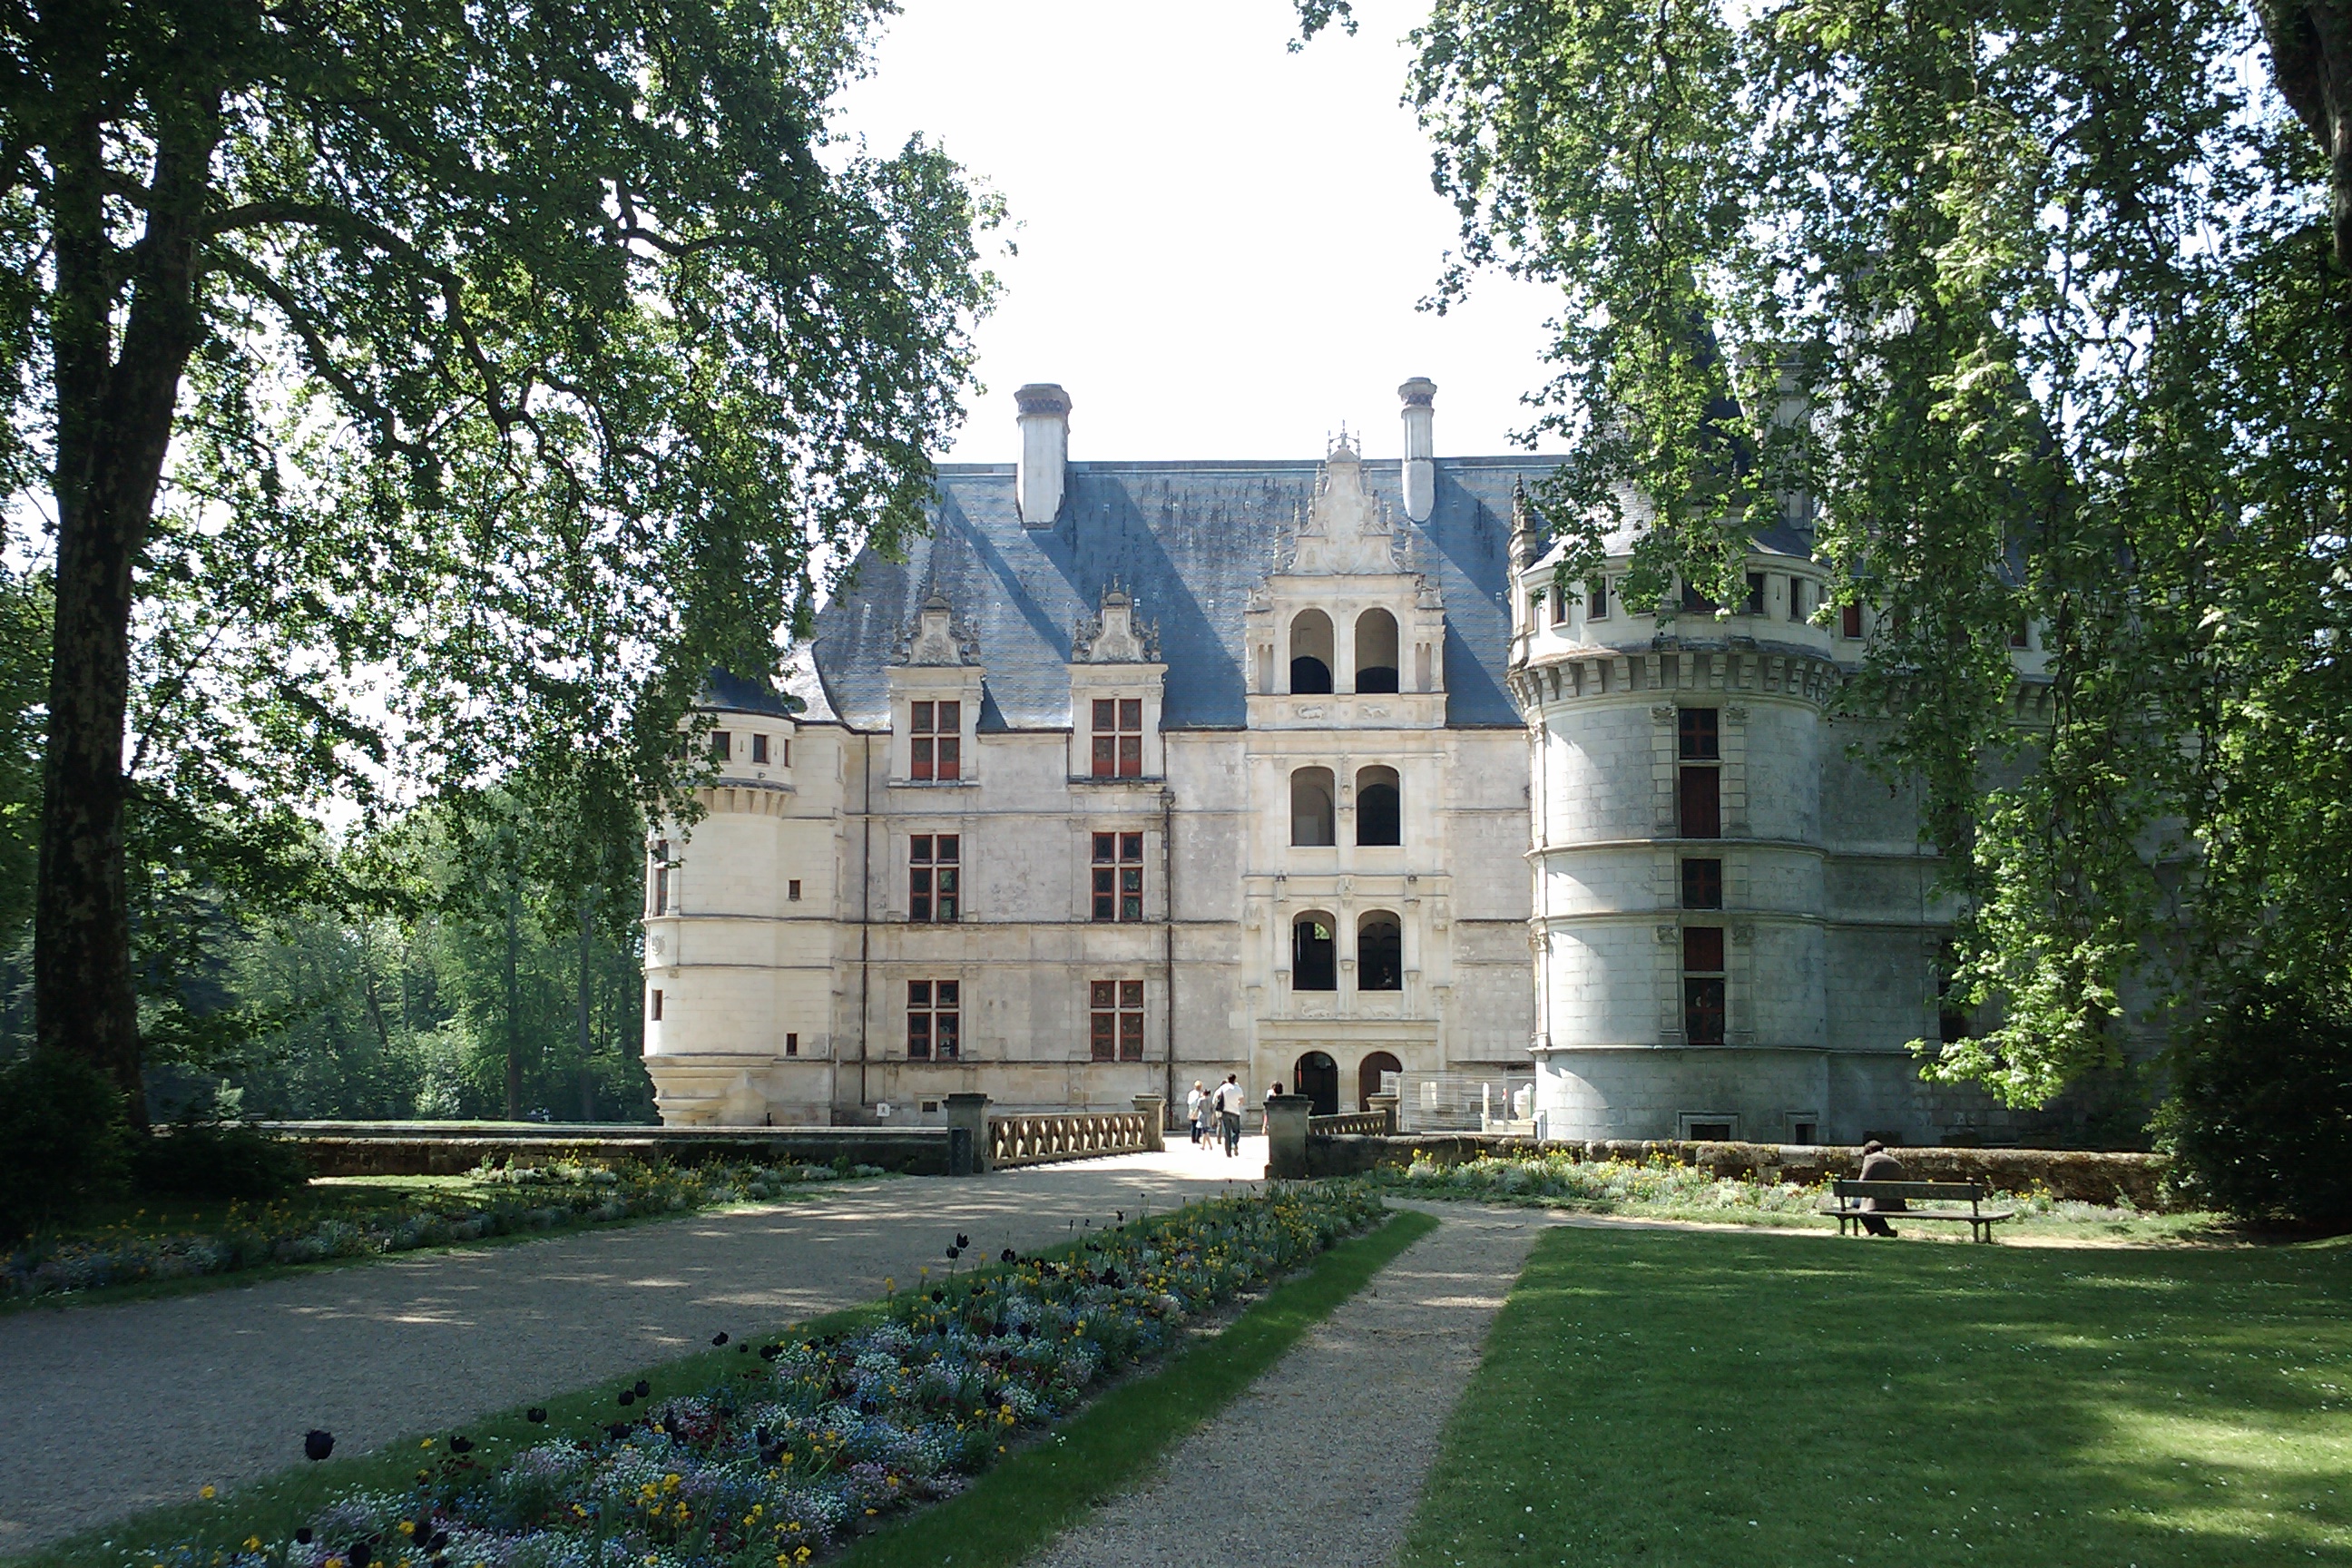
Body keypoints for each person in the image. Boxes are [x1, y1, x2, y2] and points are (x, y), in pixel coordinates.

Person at [1857, 1139, 1906, 1238]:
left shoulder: (1870, 1159)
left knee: (1857, 1204)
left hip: (1878, 1203)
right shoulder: (1895, 1162)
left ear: (1869, 1151)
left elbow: (1861, 1183)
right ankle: (1884, 1230)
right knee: (1871, 1204)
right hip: (1896, 1203)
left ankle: (1877, 1230)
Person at [1215, 1073, 1245, 1157]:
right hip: (1235, 1112)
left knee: (1227, 1133)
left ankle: (1228, 1153)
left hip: (1225, 1111)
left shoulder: (1223, 1088)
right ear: (1235, 1079)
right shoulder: (1238, 1089)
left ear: (1228, 1079)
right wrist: (1237, 1103)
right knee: (1236, 1131)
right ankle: (1234, 1143)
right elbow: (1241, 1101)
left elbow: (1217, 1097)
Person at [1186, 1080, 1209, 1148]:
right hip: (1198, 1111)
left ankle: (1193, 1139)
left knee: (1193, 1125)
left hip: (1192, 1110)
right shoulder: (1200, 1094)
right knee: (1199, 1125)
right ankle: (1197, 1139)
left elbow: (1188, 1102)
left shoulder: (1191, 1093)